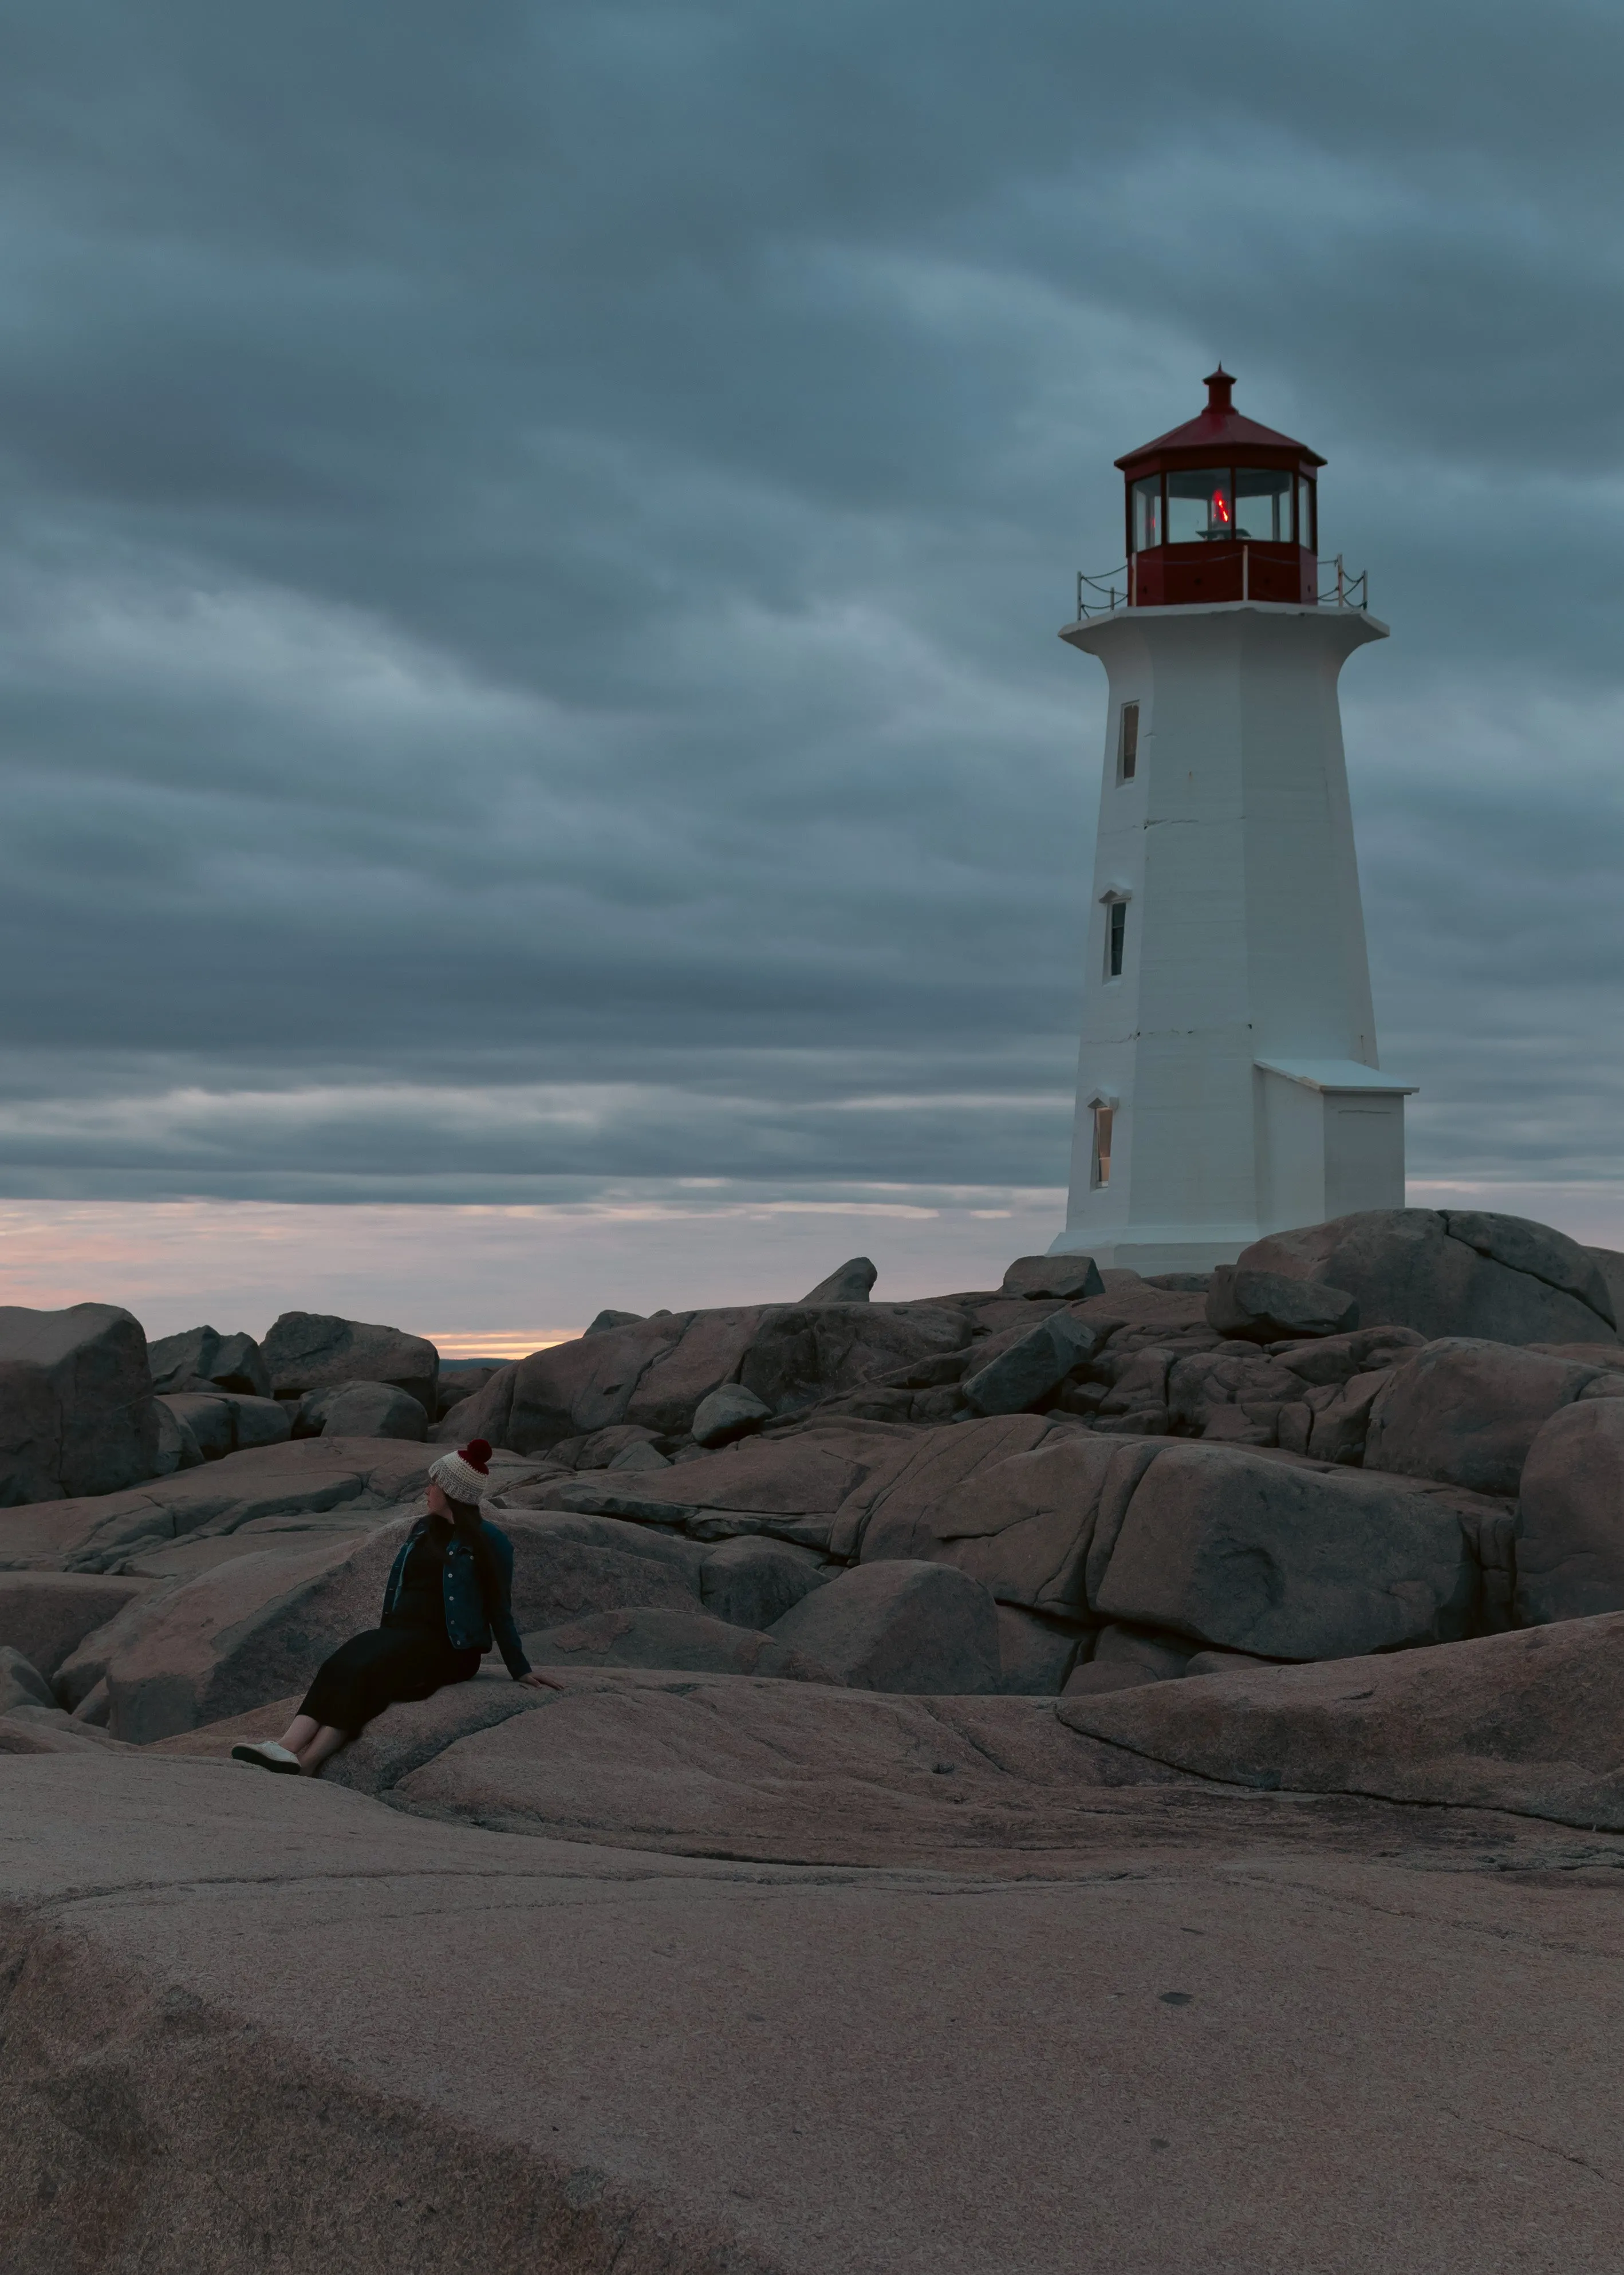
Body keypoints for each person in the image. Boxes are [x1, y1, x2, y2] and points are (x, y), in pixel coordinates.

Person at [231, 1436, 562, 1777]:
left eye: (433, 1483)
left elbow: (499, 1607)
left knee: (370, 1673)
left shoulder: (491, 1542)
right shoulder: (422, 1530)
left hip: (450, 1649)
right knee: (343, 1660)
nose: (427, 1490)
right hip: (401, 1634)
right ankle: (285, 1747)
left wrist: (519, 1667)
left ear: (451, 1492)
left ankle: (309, 1762)